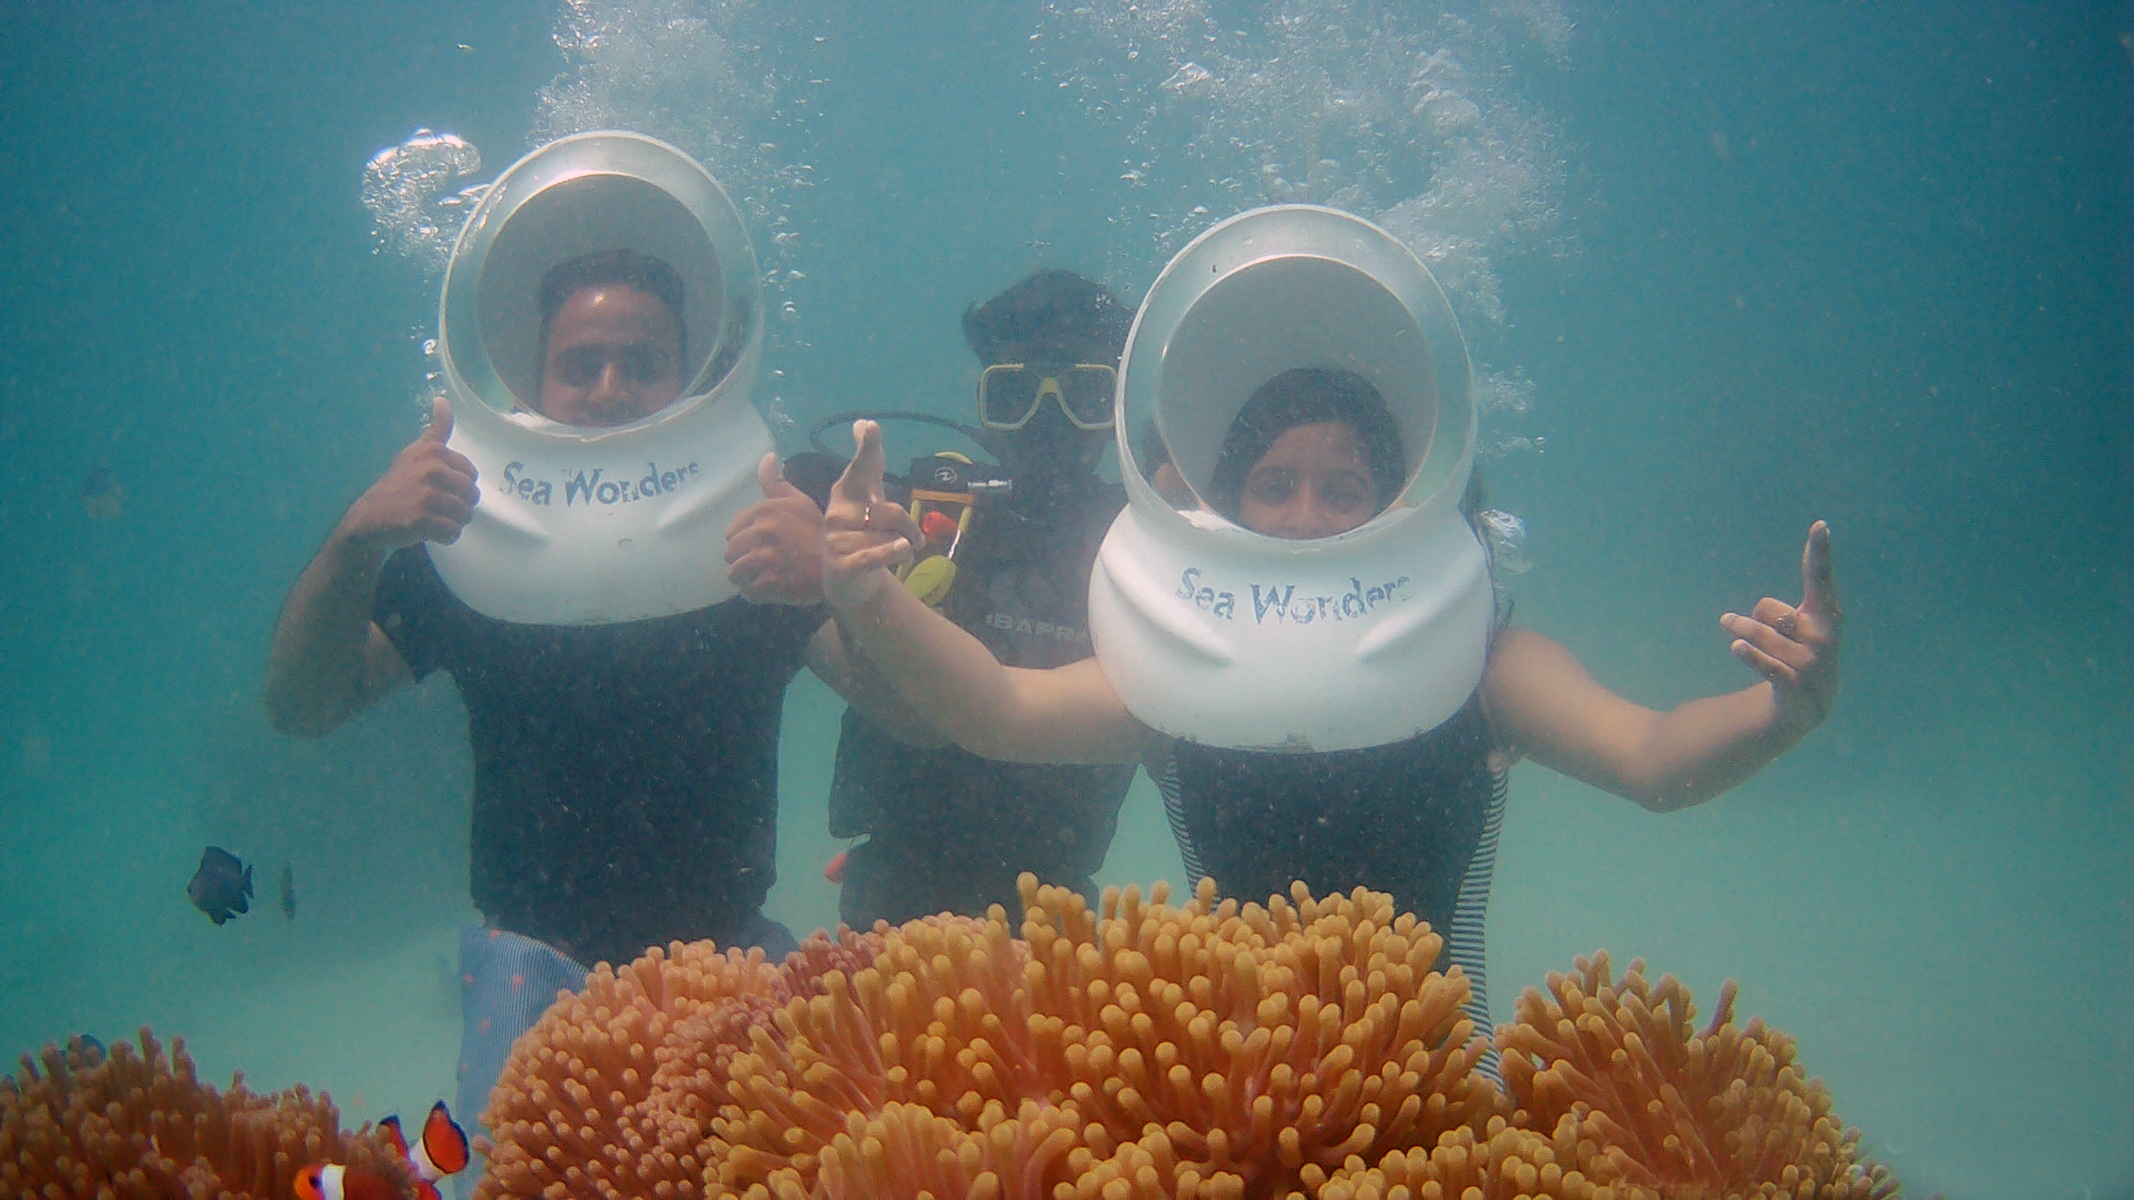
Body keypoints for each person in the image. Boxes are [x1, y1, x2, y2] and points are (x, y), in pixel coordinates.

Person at [819, 365, 1841, 959]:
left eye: (1343, 487)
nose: (1306, 515)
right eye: (1273, 485)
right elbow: (1000, 710)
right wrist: (866, 595)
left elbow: (1651, 758)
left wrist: (1777, 716)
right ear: (1226, 512)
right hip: (1225, 1081)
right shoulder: (1182, 667)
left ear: (1402, 510)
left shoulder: (1483, 664)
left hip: (1438, 1079)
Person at [264, 249, 831, 1132]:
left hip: (734, 951)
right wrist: (356, 540)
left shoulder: (750, 538)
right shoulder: (472, 543)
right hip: (525, 959)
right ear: (530, 386)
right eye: (579, 365)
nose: (609, 388)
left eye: (642, 363)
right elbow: (303, 708)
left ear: (694, 381)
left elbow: (910, 708)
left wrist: (839, 580)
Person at [804, 270, 1139, 926]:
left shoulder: (1144, 546)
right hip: (893, 880)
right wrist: (807, 524)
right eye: (1016, 393)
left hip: (1055, 894)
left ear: (1116, 409)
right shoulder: (926, 511)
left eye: (1086, 394)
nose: (1052, 420)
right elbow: (809, 487)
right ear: (985, 402)